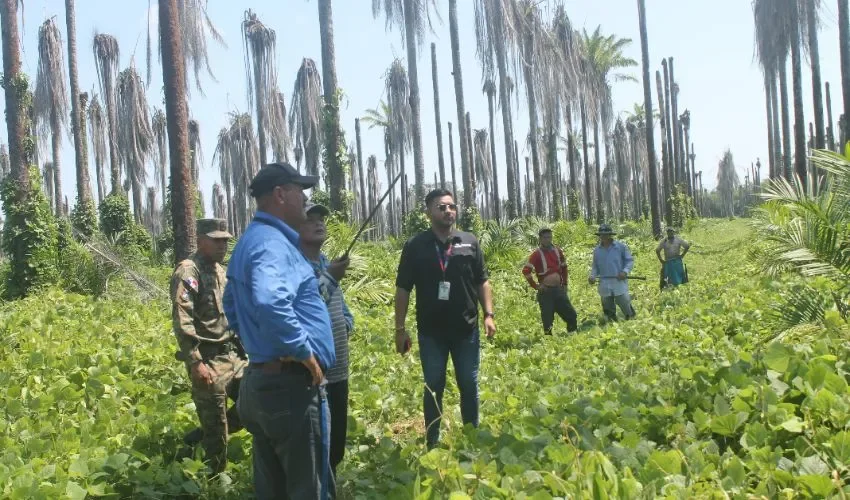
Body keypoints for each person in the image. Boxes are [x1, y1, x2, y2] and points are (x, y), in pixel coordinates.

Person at [223, 162, 336, 499]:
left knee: (273, 489)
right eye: (300, 190)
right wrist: (304, 353)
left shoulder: (252, 241)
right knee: (307, 490)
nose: (305, 197)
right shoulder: (272, 244)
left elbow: (231, 304)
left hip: (263, 384)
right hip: (291, 387)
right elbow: (271, 302)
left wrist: (260, 345)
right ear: (280, 194)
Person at [394, 188, 497, 449]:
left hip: (466, 329)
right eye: (441, 207)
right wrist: (400, 328)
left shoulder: (469, 241)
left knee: (468, 384)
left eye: (452, 206)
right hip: (431, 332)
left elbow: (482, 280)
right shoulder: (415, 246)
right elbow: (403, 288)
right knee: (433, 385)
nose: (448, 211)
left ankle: (472, 436)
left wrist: (489, 314)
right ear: (428, 212)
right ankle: (432, 440)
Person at [170, 218, 246, 474]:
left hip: (234, 356)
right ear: (201, 240)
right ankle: (212, 482)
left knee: (256, 403)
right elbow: (183, 319)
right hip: (209, 361)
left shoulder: (220, 271)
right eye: (216, 240)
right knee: (217, 438)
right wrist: (195, 362)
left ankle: (200, 436)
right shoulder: (189, 271)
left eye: (225, 240)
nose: (223, 245)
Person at [299, 202, 354, 481]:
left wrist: (346, 322)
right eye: (311, 220)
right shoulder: (295, 265)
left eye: (321, 219)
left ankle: (330, 483)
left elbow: (339, 305)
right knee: (317, 440)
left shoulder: (325, 262)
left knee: (337, 439)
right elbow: (307, 308)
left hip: (339, 367)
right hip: (314, 370)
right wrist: (331, 276)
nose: (319, 223)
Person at [522, 228, 578, 334]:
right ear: (540, 239)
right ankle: (548, 343)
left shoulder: (558, 251)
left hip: (559, 290)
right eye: (545, 237)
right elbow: (526, 271)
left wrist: (565, 283)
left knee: (571, 314)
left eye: (550, 237)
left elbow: (564, 267)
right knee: (547, 320)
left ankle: (572, 335)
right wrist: (536, 286)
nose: (548, 240)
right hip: (546, 292)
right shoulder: (536, 254)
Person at [588, 224, 636, 321]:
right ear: (599, 236)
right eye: (601, 235)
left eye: (606, 234)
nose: (603, 236)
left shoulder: (620, 247)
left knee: (623, 301)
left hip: (618, 280)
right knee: (606, 303)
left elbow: (629, 261)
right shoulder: (597, 250)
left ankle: (630, 317)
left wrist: (625, 272)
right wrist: (592, 275)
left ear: (610, 235)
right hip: (604, 282)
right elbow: (595, 266)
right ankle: (611, 320)